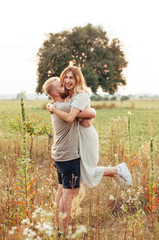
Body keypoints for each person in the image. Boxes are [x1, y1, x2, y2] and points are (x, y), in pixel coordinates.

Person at [47, 66, 132, 189]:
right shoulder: (69, 97)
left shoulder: (81, 96)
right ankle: (115, 172)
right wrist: (53, 105)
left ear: (77, 80)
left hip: (86, 135)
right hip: (77, 135)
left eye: (71, 77)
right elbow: (66, 108)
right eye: (65, 77)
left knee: (86, 172)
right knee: (81, 172)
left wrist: (55, 109)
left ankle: (118, 170)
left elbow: (83, 114)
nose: (67, 80)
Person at [42, 77, 96, 236]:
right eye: (61, 84)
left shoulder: (57, 106)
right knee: (69, 195)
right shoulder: (65, 106)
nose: (65, 84)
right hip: (69, 157)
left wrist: (51, 106)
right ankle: (63, 232)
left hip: (59, 156)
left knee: (61, 192)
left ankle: (58, 227)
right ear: (56, 92)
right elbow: (91, 112)